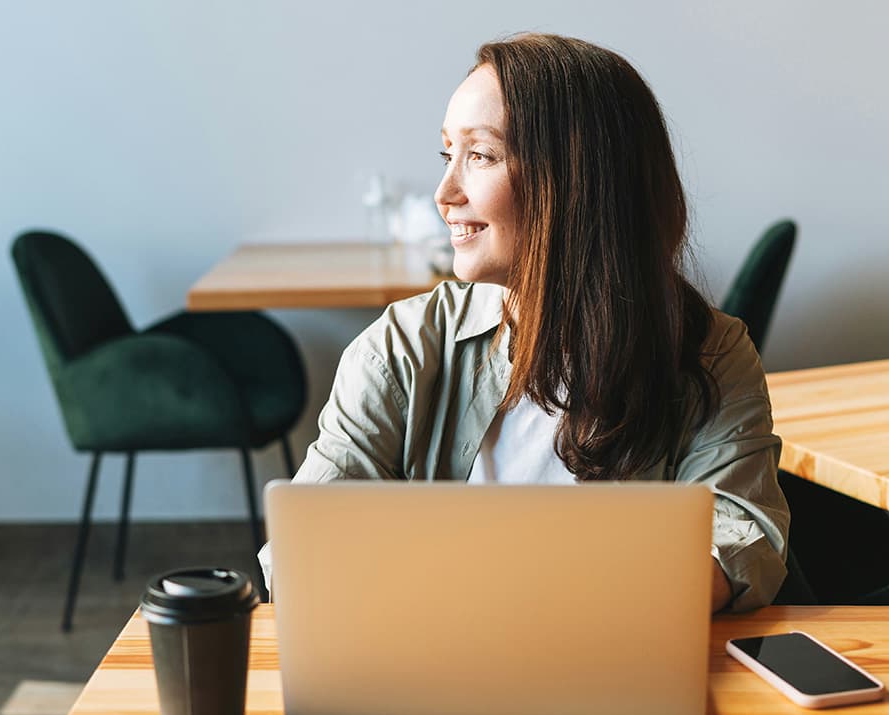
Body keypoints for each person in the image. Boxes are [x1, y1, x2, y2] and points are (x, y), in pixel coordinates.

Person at [269, 33, 789, 612]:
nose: (445, 193)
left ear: (578, 181)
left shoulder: (711, 352)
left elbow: (741, 539)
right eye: (448, 155)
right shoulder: (400, 349)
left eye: (481, 156)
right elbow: (301, 553)